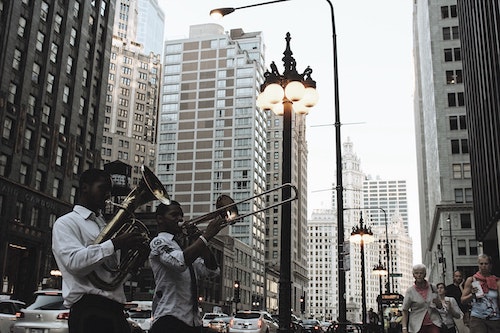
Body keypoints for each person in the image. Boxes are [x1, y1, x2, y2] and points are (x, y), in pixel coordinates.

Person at [52, 168, 148, 333]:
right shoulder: (66, 223)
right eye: (103, 188)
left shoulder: (103, 225)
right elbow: (74, 263)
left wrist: (137, 261)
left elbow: (112, 275)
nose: (108, 195)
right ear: (85, 188)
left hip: (114, 309)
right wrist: (115, 244)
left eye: (109, 191)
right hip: (89, 310)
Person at [149, 201, 225, 333]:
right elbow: (179, 263)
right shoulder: (158, 242)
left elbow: (212, 271)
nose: (180, 219)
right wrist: (206, 236)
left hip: (192, 321)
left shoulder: (181, 248)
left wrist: (198, 239)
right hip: (169, 319)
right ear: (160, 219)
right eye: (174, 215)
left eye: (181, 215)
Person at [461, 254, 500, 333]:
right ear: (478, 265)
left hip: (494, 318)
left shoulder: (496, 281)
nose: (484, 266)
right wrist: (472, 294)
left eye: (486, 264)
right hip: (477, 318)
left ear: (490, 265)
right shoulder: (471, 280)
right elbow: (463, 300)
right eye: (481, 264)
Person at [401, 264, 442, 333]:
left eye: (421, 273)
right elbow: (405, 310)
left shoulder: (433, 287)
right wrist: (404, 328)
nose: (419, 275)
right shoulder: (410, 291)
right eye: (416, 273)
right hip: (417, 325)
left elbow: (440, 306)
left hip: (434, 323)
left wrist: (438, 303)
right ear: (413, 275)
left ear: (425, 274)